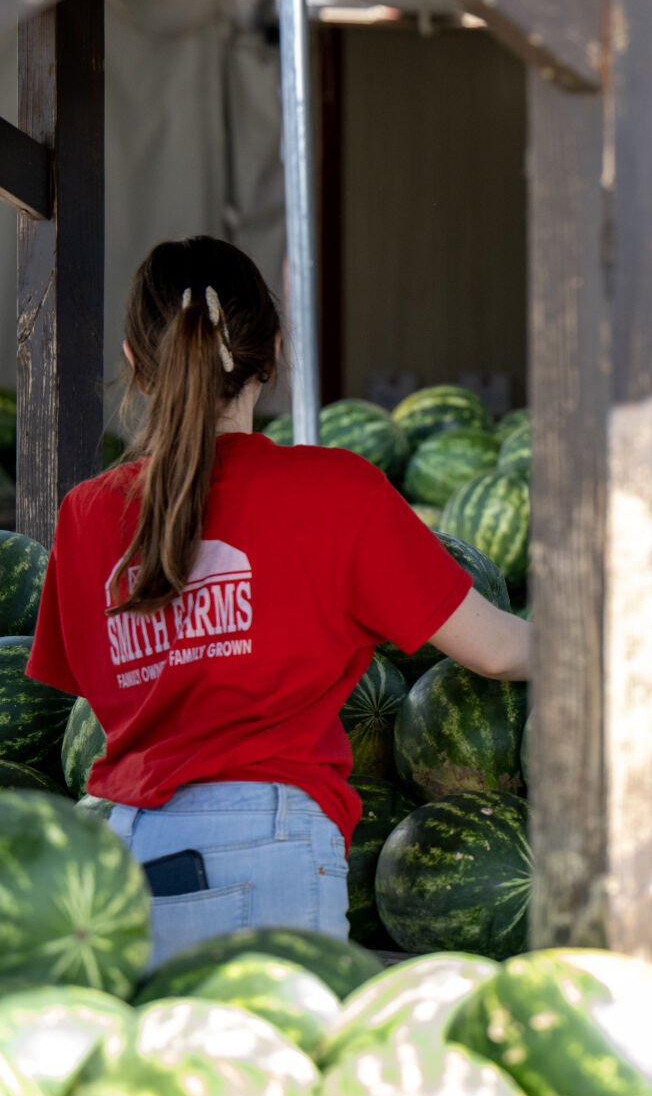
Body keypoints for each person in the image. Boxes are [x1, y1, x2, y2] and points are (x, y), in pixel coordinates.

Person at [27, 236, 531, 966]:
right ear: (272, 357)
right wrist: (631, 641)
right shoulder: (336, 492)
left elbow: (85, 685)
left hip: (116, 859)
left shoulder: (85, 514)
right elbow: (499, 651)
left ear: (136, 364)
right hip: (263, 846)